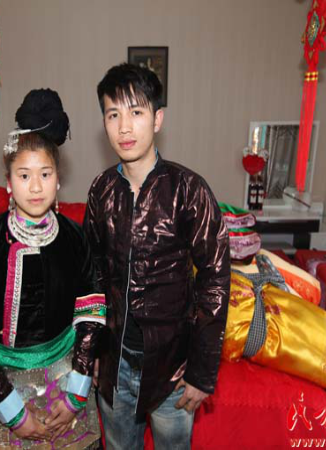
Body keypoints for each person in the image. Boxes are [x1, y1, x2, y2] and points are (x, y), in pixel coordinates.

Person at [83, 63, 230, 449]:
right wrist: (90, 352)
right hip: (115, 363)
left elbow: (215, 279)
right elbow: (91, 277)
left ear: (157, 118)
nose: (124, 127)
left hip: (173, 368)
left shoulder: (189, 190)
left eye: (136, 112)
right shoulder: (101, 190)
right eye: (113, 115)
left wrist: (202, 372)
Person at [0, 89, 105, 449]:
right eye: (24, 175)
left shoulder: (75, 238)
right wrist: (14, 414)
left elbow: (92, 315)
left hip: (69, 382)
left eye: (45, 174)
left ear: (58, 180)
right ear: (8, 182)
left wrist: (76, 393)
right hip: (5, 387)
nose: (35, 187)